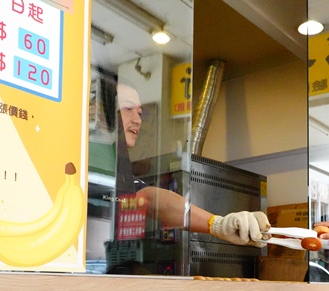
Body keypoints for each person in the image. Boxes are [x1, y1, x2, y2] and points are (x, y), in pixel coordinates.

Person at [112, 80, 268, 248]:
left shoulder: (118, 166)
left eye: (140, 113)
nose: (137, 120)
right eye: (128, 109)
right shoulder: (85, 156)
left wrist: (217, 224)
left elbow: (149, 198)